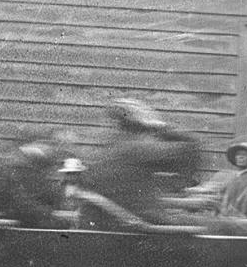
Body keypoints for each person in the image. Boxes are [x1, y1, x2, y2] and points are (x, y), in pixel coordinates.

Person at [80, 98, 203, 228]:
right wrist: (161, 127)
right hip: (137, 229)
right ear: (141, 128)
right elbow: (191, 148)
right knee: (214, 225)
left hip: (103, 225)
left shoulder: (103, 152)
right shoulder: (138, 148)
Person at [213, 141, 247, 218]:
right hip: (224, 220)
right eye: (238, 154)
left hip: (243, 223)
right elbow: (220, 199)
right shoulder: (231, 178)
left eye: (244, 155)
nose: (240, 157)